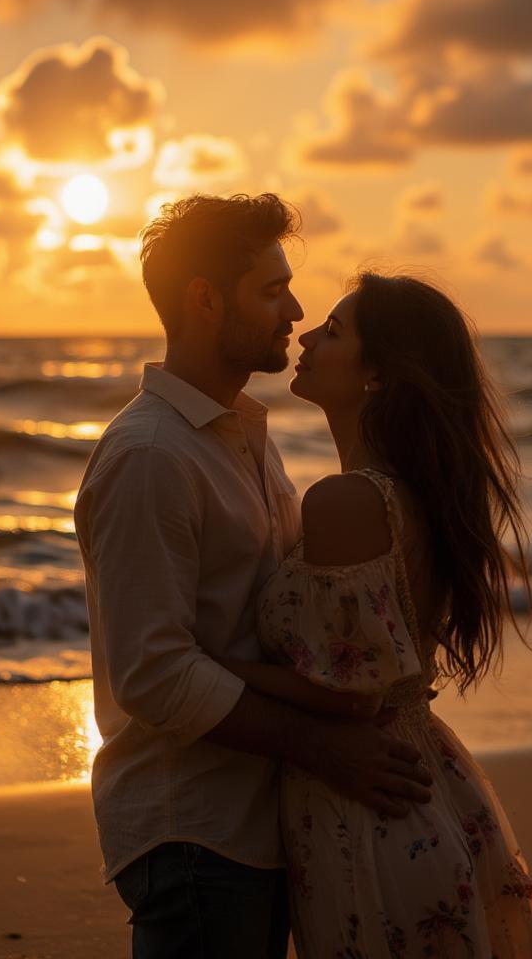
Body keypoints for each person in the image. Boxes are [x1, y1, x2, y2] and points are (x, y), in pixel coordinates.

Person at [72, 195, 434, 959]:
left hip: (258, 821)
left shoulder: (241, 438)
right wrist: (324, 747)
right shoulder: (150, 458)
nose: (296, 311)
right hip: (194, 830)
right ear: (205, 300)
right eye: (272, 291)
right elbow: (153, 674)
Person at [213, 272, 532, 957]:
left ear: (378, 374)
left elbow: (350, 693)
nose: (307, 334)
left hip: (368, 814)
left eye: (336, 333)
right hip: (419, 786)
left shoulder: (346, 501)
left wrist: (208, 664)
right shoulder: (408, 494)